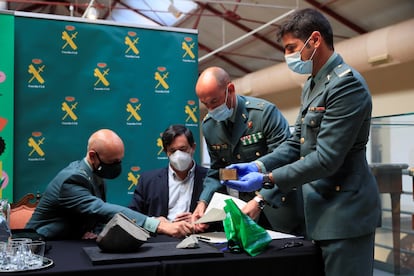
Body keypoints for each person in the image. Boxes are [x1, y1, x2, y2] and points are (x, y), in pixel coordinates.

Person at [222, 8, 381, 276]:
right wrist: (259, 165)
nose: (288, 56)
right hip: (319, 212)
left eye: (291, 48)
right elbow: (296, 142)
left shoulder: (346, 85)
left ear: (315, 40)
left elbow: (326, 159)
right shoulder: (312, 85)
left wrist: (267, 179)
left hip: (345, 215)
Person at [192, 66, 304, 235]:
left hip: (280, 207)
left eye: (214, 101)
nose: (211, 109)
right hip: (246, 212)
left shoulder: (264, 113)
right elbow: (218, 171)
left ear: (230, 89)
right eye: (205, 104)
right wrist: (203, 201)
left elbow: (285, 160)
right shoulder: (209, 127)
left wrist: (260, 200)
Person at [26, 128, 194, 240]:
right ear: (93, 156)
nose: (117, 166)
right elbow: (100, 209)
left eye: (120, 161)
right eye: (113, 162)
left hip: (70, 240)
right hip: (41, 245)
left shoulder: (95, 174)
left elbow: (96, 218)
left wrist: (96, 231)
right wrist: (155, 224)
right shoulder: (72, 179)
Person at [129, 124, 207, 223]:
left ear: (193, 147)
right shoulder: (147, 180)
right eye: (172, 151)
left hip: (198, 236)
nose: (178, 155)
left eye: (183, 149)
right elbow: (132, 216)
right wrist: (155, 223)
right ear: (166, 152)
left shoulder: (210, 179)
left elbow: (222, 217)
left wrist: (199, 220)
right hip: (161, 237)